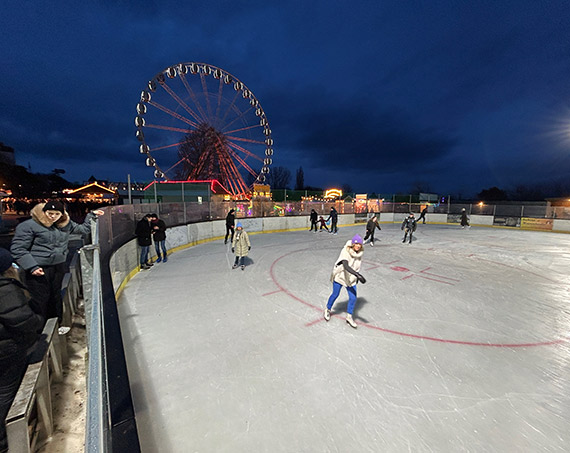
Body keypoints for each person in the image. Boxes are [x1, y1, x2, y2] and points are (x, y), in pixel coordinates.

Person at [10, 201, 103, 329]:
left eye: (57, 214)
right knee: (40, 300)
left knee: (56, 296)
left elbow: (83, 229)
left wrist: (91, 215)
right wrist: (32, 267)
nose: (53, 216)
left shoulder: (64, 224)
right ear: (44, 212)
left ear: (62, 214)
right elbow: (18, 249)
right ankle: (40, 329)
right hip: (38, 268)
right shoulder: (29, 226)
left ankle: (56, 324)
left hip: (58, 265)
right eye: (50, 213)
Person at [0, 248, 42, 453]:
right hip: (7, 350)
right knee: (7, 390)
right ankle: (4, 439)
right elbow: (22, 320)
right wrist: (38, 324)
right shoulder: (6, 289)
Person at [324, 234, 366, 328]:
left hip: (351, 278)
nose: (358, 246)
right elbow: (346, 266)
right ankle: (328, 309)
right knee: (335, 294)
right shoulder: (345, 251)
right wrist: (358, 275)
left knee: (353, 297)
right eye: (356, 244)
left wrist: (356, 277)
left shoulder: (359, 253)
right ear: (353, 244)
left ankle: (349, 316)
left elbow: (356, 266)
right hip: (341, 275)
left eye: (360, 244)